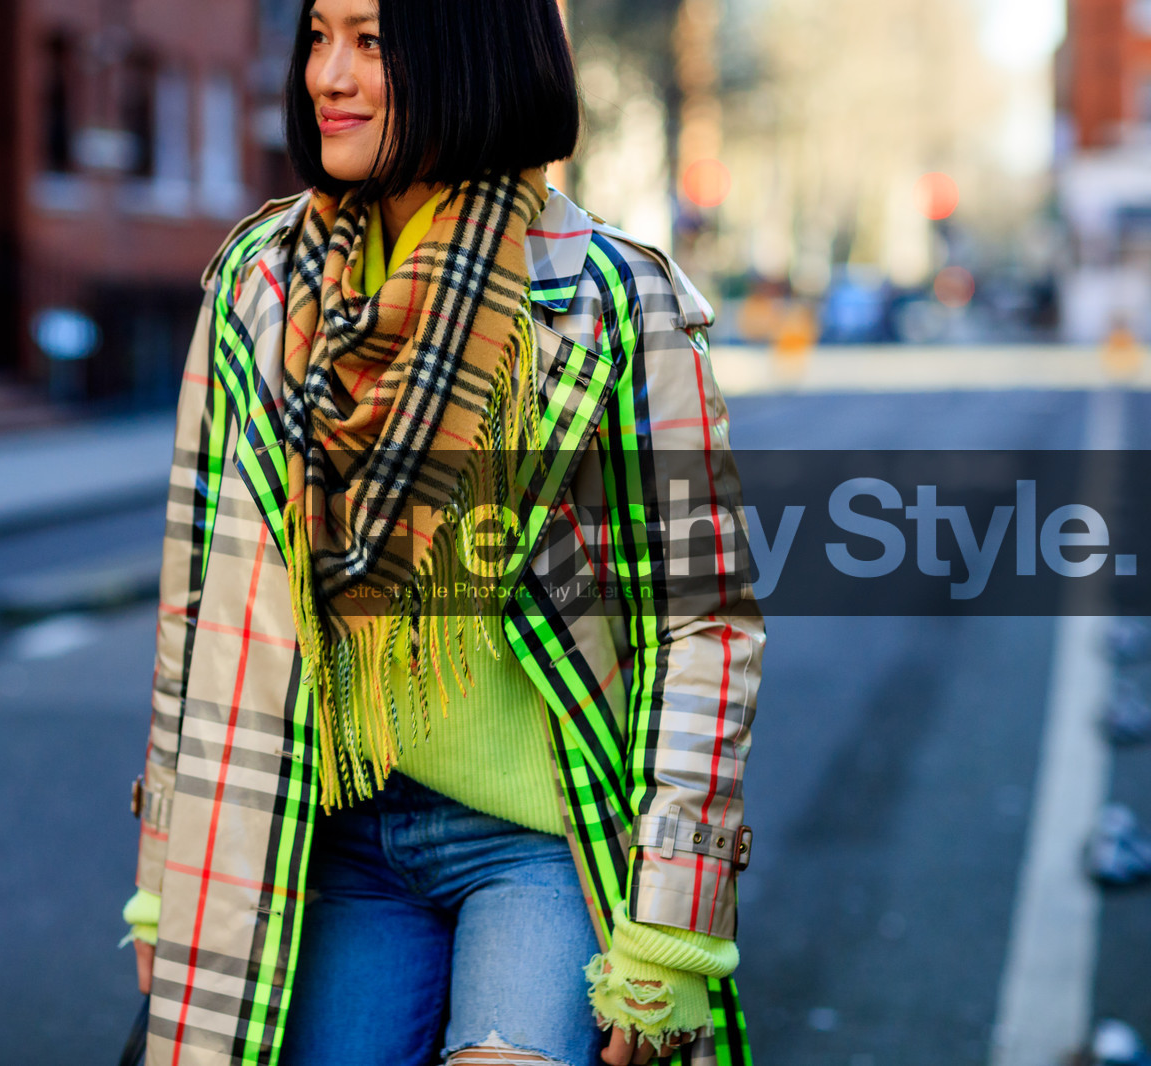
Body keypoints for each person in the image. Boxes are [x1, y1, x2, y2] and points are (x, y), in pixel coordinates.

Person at [120, 1, 764, 1064]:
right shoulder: (261, 286)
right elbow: (198, 599)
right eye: (318, 35)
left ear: (469, 52)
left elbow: (705, 624)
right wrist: (166, 874)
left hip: (542, 844)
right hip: (325, 841)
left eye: (370, 41)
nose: (328, 74)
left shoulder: (612, 302)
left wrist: (669, 921)